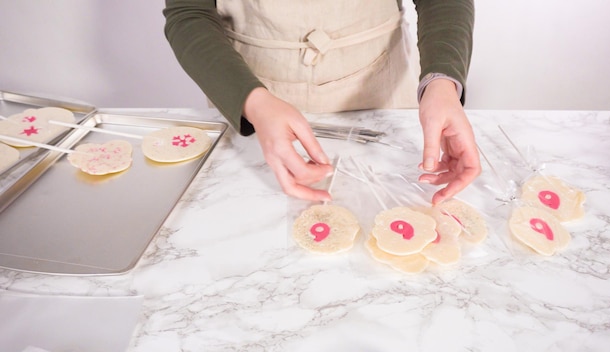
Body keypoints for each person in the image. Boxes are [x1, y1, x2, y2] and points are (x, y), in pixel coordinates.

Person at [163, 0, 481, 205]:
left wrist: (442, 81)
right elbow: (189, 13)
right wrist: (254, 103)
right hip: (246, 97)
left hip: (383, 92)